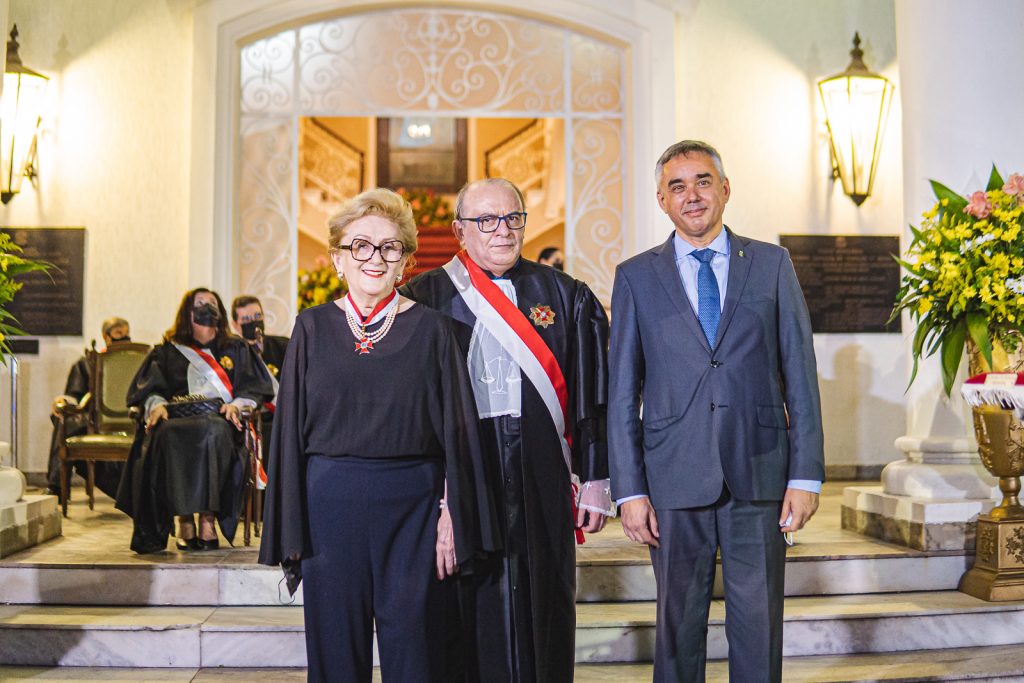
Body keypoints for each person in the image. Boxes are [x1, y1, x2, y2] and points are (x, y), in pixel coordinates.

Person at [258, 188, 499, 683]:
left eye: (391, 247)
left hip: (413, 508)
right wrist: (291, 526)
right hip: (329, 507)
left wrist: (453, 512)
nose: (375, 257)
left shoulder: (435, 331)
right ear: (337, 258)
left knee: (415, 651)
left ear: (406, 261)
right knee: (335, 653)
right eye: (361, 245)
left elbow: (458, 432)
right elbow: (287, 434)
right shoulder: (312, 327)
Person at [608, 140, 825, 682]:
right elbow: (621, 391)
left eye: (703, 181)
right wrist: (629, 491)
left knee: (758, 622)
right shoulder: (636, 276)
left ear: (725, 189)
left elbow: (799, 374)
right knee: (678, 625)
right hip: (672, 476)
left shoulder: (772, 265)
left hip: (759, 471)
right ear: (661, 200)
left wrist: (806, 475)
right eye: (677, 186)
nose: (693, 195)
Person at [401, 178, 613, 683]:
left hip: (542, 471)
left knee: (545, 595)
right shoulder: (422, 296)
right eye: (486, 220)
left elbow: (593, 394)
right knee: (467, 600)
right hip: (460, 476)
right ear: (459, 230)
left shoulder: (565, 295)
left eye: (512, 218)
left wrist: (599, 477)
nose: (502, 230)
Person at [116, 289, 274, 554]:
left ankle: (208, 519)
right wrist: (156, 404)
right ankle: (184, 518)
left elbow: (255, 387)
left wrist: (237, 405)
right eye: (200, 304)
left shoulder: (235, 348)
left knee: (212, 431)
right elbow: (150, 389)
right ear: (186, 312)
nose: (207, 308)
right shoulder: (168, 350)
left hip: (220, 420)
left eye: (212, 303)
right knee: (167, 435)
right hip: (176, 419)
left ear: (221, 312)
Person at [47, 317, 132, 498]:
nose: (124, 338)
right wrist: (62, 401)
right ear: (106, 336)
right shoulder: (87, 362)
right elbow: (75, 396)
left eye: (126, 334)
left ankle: (57, 485)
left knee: (66, 426)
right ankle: (57, 486)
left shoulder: (136, 362)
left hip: (128, 420)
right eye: (118, 334)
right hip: (91, 419)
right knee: (63, 418)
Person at [230, 294, 289, 444]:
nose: (254, 322)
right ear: (236, 325)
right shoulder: (231, 354)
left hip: (284, 415)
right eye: (247, 320)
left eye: (257, 316)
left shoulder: (283, 345)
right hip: (251, 417)